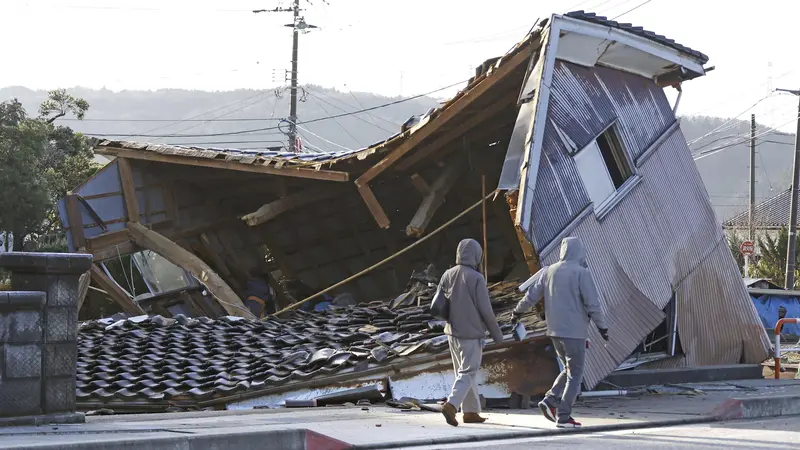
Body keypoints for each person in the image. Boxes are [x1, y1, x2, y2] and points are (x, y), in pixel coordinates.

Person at [511, 237, 609, 428]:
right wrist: (602, 327)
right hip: (575, 332)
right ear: (580, 252)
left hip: (555, 331)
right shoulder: (582, 273)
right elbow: (592, 304)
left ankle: (550, 399)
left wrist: (517, 312)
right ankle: (563, 416)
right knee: (576, 375)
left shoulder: (549, 271)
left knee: (568, 369)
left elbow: (531, 296)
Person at [438, 238, 504, 427]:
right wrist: (497, 336)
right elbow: (486, 311)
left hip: (451, 331)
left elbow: (439, 302)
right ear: (476, 255)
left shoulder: (447, 274)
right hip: (470, 333)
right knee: (468, 371)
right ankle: (451, 405)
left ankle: (471, 412)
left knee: (463, 371)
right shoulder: (476, 278)